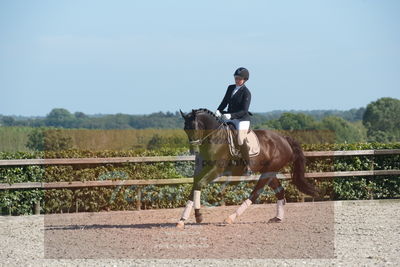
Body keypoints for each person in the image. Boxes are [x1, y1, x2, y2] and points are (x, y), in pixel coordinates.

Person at [215, 67, 252, 167]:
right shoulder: (230, 88)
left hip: (242, 119)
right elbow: (224, 102)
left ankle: (247, 164)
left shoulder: (246, 92)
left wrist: (231, 115)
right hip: (230, 117)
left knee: (240, 139)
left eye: (239, 79)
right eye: (236, 78)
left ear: (245, 80)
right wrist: (219, 110)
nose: (237, 80)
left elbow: (244, 111)